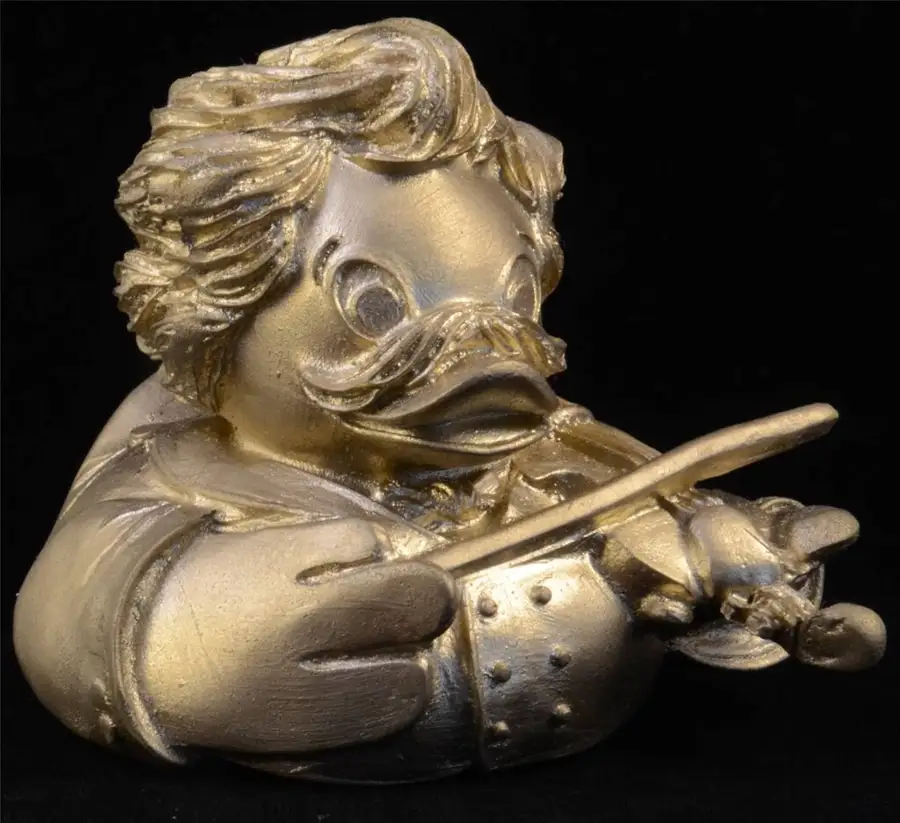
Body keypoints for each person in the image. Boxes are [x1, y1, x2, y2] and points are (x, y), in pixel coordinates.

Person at [13, 18, 885, 783]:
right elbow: (74, 597)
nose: (482, 358)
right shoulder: (181, 470)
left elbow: (677, 540)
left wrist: (732, 563)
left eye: (516, 298)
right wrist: (174, 650)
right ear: (215, 307)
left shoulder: (561, 455)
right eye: (375, 306)